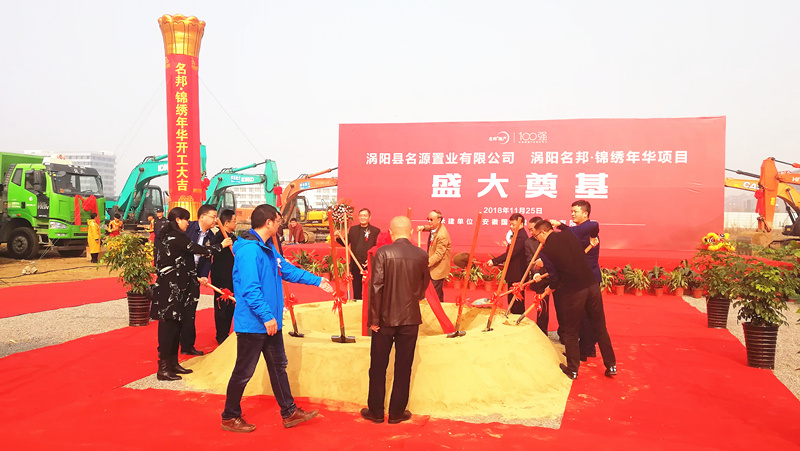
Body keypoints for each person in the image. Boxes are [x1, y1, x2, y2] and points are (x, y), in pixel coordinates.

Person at [221, 204, 334, 433]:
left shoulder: (268, 248)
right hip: (254, 324)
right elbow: (250, 289)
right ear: (268, 223)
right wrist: (266, 316)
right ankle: (229, 416)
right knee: (244, 372)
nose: (281, 225)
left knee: (278, 367)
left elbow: (288, 271)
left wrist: (317, 281)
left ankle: (289, 412)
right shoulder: (249, 251)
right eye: (279, 221)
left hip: (269, 322)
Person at [361, 216, 430, 425]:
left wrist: (373, 319)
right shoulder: (421, 255)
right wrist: (413, 297)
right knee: (404, 367)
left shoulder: (383, 252)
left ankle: (376, 412)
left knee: (378, 366)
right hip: (410, 319)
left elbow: (376, 287)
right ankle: (397, 413)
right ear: (411, 232)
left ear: (391, 232)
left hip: (384, 320)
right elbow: (424, 285)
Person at [150, 207, 232, 382]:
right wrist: (221, 246)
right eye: (185, 219)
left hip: (181, 286)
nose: (188, 223)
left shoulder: (177, 235)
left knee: (177, 325)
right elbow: (197, 249)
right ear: (178, 220)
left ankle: (173, 363)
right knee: (169, 327)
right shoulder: (174, 236)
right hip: (170, 288)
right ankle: (163, 367)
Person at [531, 220, 616, 380]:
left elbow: (555, 278)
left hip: (574, 292)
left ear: (543, 232)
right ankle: (611, 365)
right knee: (600, 327)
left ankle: (572, 370)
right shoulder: (569, 234)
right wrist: (593, 236)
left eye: (536, 236)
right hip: (592, 287)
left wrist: (550, 288)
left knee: (571, 332)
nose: (537, 240)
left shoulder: (546, 251)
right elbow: (594, 225)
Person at [551, 200, 600, 360]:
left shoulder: (588, 229)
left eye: (575, 211)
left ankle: (585, 350)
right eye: (571, 211)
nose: (572, 214)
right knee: (586, 315)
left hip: (587, 280)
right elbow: (572, 233)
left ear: (585, 214)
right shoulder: (581, 231)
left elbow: (576, 232)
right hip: (585, 279)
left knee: (585, 316)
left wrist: (560, 226)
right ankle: (588, 348)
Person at [181, 204, 222, 356]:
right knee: (175, 312)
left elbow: (207, 258)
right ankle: (167, 347)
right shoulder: (188, 228)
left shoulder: (211, 236)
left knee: (190, 312)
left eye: (216, 217)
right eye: (213, 217)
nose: (215, 220)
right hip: (181, 275)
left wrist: (204, 275)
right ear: (202, 217)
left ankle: (187, 345)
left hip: (195, 278)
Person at [334, 208, 380, 300]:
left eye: (365, 216)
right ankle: (357, 302)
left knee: (370, 288)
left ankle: (369, 304)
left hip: (369, 263)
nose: (363, 217)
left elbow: (377, 247)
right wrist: (338, 237)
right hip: (355, 263)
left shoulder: (375, 231)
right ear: (358, 217)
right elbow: (345, 243)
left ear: (369, 217)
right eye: (361, 216)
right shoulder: (353, 230)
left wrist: (371, 259)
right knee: (356, 287)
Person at [487, 213, 528, 314]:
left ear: (521, 224)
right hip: (514, 272)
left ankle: (516, 318)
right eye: (510, 224)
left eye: (514, 224)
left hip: (517, 273)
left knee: (516, 300)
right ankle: (513, 315)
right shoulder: (517, 234)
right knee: (512, 299)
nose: (511, 227)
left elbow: (511, 253)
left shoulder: (521, 237)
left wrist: (494, 261)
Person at [211, 209, 237, 344]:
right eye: (234, 221)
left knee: (230, 305)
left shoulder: (232, 237)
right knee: (222, 305)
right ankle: (221, 335)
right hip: (221, 277)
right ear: (226, 223)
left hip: (232, 276)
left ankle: (226, 332)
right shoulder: (220, 237)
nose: (236, 223)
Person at [417, 210, 451, 303]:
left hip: (438, 268)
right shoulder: (436, 228)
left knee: (435, 294)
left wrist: (425, 263)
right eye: (428, 219)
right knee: (437, 292)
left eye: (431, 219)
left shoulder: (442, 235)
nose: (429, 222)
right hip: (433, 265)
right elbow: (431, 227)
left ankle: (437, 309)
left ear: (439, 220)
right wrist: (423, 228)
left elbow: (438, 254)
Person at [524, 216, 550, 333]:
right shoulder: (529, 242)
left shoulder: (552, 239)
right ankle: (542, 332)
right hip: (540, 279)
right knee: (542, 307)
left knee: (562, 307)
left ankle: (564, 334)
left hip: (555, 277)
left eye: (532, 229)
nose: (531, 232)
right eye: (529, 229)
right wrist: (535, 274)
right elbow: (530, 260)